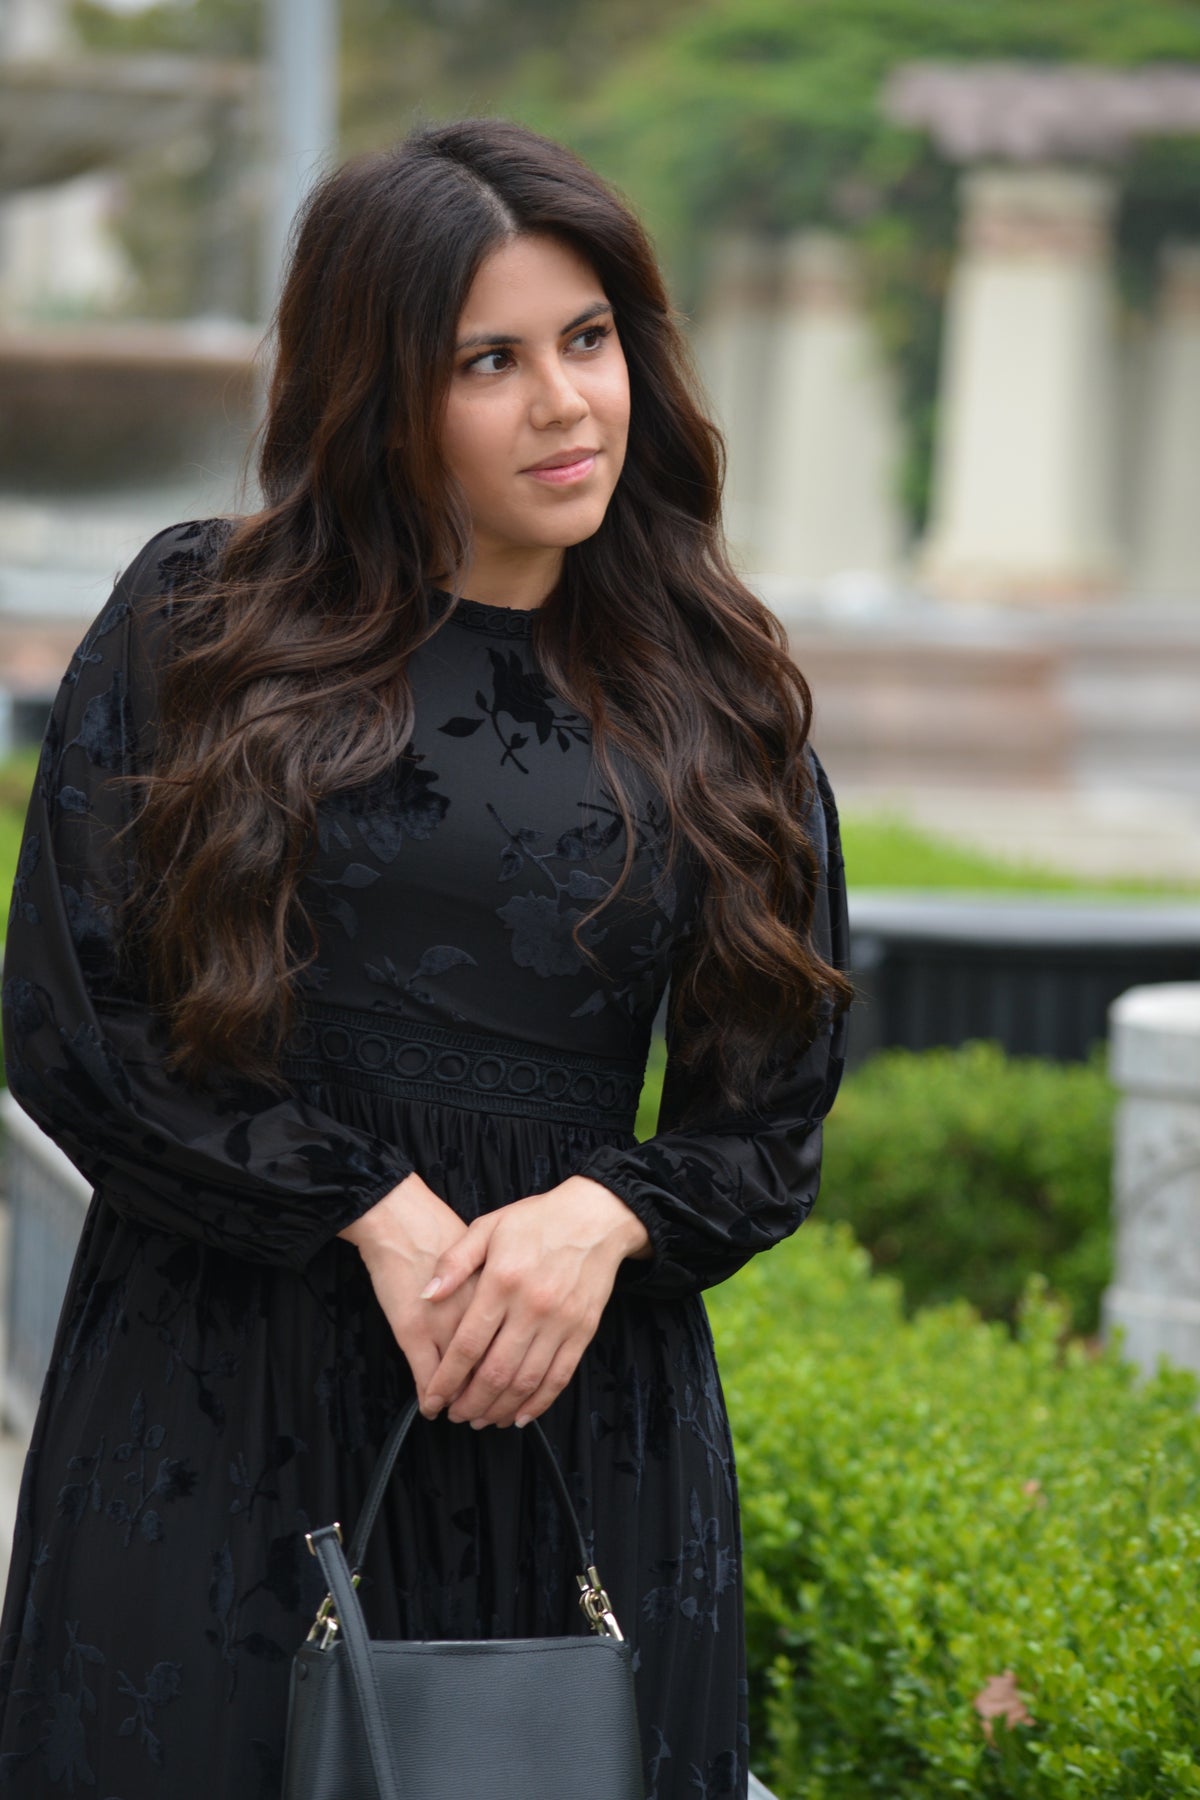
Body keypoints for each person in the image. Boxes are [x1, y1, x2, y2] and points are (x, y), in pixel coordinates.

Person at [0, 118, 852, 1798]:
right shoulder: (201, 623)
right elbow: (75, 1022)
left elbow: (768, 1125)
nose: (566, 404)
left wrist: (600, 1220)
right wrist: (371, 1210)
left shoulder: (721, 694)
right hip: (219, 1400)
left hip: (573, 1419)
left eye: (588, 339)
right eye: (489, 361)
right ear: (375, 389)